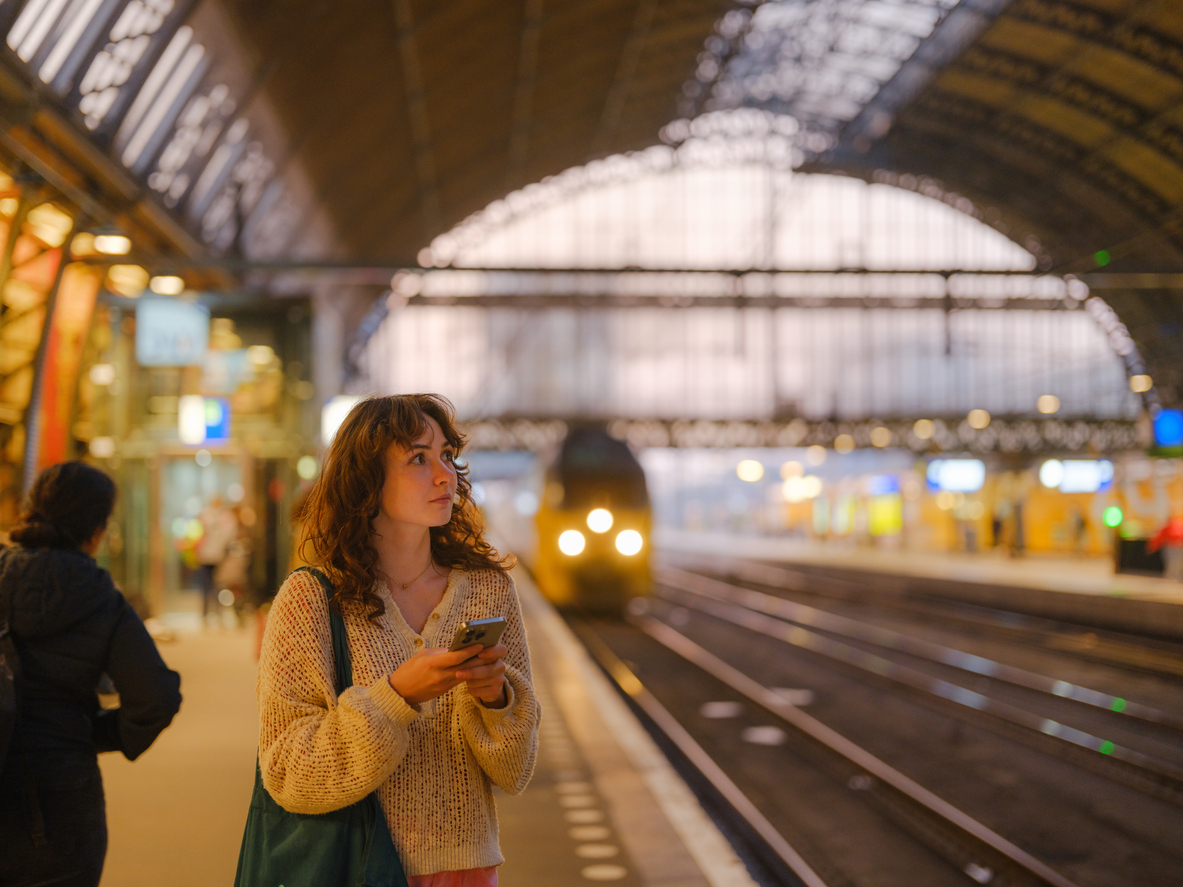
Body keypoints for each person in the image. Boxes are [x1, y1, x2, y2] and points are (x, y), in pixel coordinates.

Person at [256, 394, 539, 885]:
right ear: (367, 481)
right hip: (350, 866)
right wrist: (395, 698)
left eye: (447, 456)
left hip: (466, 868)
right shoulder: (310, 600)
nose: (444, 475)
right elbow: (285, 772)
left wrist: (496, 699)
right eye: (418, 459)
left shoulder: (489, 589)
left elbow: (515, 772)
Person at [0, 461, 182, 887]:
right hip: (63, 804)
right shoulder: (101, 597)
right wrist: (94, 734)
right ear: (97, 530)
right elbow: (156, 697)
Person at [196, 495, 237, 625]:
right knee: (218, 587)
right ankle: (218, 615)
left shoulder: (204, 515)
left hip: (206, 556)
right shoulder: (227, 517)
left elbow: (198, 535)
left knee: (206, 587)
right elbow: (231, 537)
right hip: (220, 557)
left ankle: (205, 615)